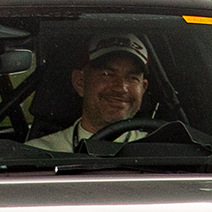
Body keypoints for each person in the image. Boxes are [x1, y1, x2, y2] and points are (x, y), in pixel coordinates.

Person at [27, 34, 156, 152]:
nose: (121, 88)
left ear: (143, 88)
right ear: (80, 82)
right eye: (107, 74)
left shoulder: (160, 152)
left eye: (132, 77)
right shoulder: (39, 153)